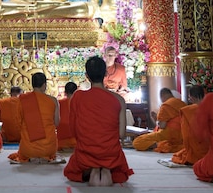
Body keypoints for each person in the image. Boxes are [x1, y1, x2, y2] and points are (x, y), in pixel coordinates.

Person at [63, 56, 133, 185]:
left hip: (86, 151)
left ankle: (93, 168)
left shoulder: (77, 97)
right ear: (105, 74)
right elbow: (121, 134)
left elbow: (73, 130)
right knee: (119, 171)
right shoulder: (119, 100)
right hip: (110, 152)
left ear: (86, 76)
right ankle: (105, 168)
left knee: (72, 171)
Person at [9, 72, 60, 163]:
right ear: (44, 85)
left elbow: (18, 122)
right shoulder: (53, 101)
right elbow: (56, 123)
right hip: (48, 149)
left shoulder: (23, 100)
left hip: (28, 149)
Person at [133, 88, 186, 152]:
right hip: (183, 135)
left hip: (169, 135)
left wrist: (157, 120)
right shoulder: (183, 104)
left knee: (137, 142)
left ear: (162, 96)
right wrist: (156, 118)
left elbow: (162, 126)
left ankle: (162, 145)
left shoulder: (166, 105)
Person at [171, 85, 209, 165]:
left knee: (179, 155)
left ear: (191, 97)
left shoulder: (187, 111)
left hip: (197, 150)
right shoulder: (211, 107)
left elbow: (186, 136)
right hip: (211, 148)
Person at [57, 81, 77, 151]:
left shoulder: (59, 103)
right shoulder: (80, 103)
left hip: (61, 144)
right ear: (76, 91)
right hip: (77, 143)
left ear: (65, 92)